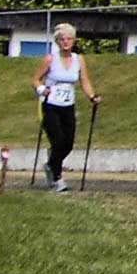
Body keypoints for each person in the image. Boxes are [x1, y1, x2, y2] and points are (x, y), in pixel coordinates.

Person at [30, 22, 100, 193]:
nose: (66, 42)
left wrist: (92, 96)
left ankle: (50, 165)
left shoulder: (78, 59)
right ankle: (57, 177)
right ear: (58, 42)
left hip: (68, 105)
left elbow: (84, 80)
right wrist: (42, 89)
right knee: (58, 141)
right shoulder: (50, 59)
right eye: (62, 39)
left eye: (69, 39)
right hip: (50, 105)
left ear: (73, 41)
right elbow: (35, 79)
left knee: (68, 144)